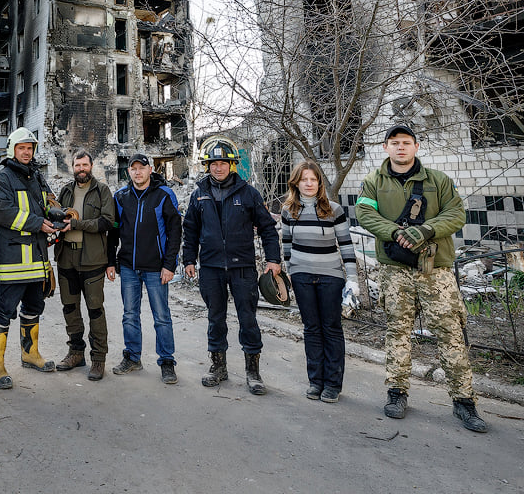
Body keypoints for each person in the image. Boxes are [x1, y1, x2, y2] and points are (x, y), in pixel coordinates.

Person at [356, 125, 488, 433]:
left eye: (406, 143)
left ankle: (464, 402)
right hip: (394, 269)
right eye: (394, 143)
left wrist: (425, 230)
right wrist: (396, 233)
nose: (400, 148)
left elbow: (455, 215)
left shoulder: (438, 181)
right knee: (397, 331)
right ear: (386, 148)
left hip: (435, 270)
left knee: (450, 332)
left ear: (416, 146)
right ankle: (397, 393)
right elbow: (365, 214)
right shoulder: (373, 182)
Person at [181, 138, 281, 395]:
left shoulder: (249, 193)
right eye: (213, 163)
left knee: (248, 320)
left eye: (223, 163)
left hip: (243, 268)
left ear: (232, 164)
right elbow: (190, 230)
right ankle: (218, 367)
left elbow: (268, 229)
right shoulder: (198, 194)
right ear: (207, 166)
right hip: (211, 268)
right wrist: (189, 260)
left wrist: (273, 260)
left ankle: (253, 372)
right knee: (216, 319)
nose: (218, 167)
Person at [0, 127, 66, 389]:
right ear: (12, 149)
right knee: (4, 310)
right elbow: (4, 213)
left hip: (38, 256)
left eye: (30, 148)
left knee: (35, 306)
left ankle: (29, 354)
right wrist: (38, 224)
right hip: (14, 260)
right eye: (22, 148)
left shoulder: (37, 176)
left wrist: (59, 214)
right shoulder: (2, 179)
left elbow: (48, 201)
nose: (26, 152)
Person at [280, 160, 358, 403]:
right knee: (311, 329)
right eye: (304, 179)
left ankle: (333, 384)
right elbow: (286, 247)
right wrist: (291, 273)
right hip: (302, 277)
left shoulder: (333, 210)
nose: (309, 183)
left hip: (330, 277)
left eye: (313, 179)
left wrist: (353, 279)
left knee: (331, 329)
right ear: (297, 183)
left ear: (319, 182)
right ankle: (316, 381)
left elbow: (346, 245)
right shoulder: (289, 210)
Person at [110, 153, 181, 384]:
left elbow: (175, 233)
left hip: (156, 268)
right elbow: (112, 232)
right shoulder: (120, 197)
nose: (137, 172)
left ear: (150, 169)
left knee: (161, 317)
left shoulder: (164, 195)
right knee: (130, 315)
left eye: (142, 168)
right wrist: (112, 261)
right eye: (133, 168)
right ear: (128, 171)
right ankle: (132, 357)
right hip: (129, 267)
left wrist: (169, 265)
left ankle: (167, 362)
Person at [54, 149, 116, 380]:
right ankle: (76, 353)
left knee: (95, 310)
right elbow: (58, 217)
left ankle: (98, 360)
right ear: (73, 167)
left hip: (92, 260)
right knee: (70, 308)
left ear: (91, 166)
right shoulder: (66, 190)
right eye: (77, 165)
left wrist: (78, 224)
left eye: (85, 165)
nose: (81, 169)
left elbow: (108, 222)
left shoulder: (102, 191)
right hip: (66, 258)